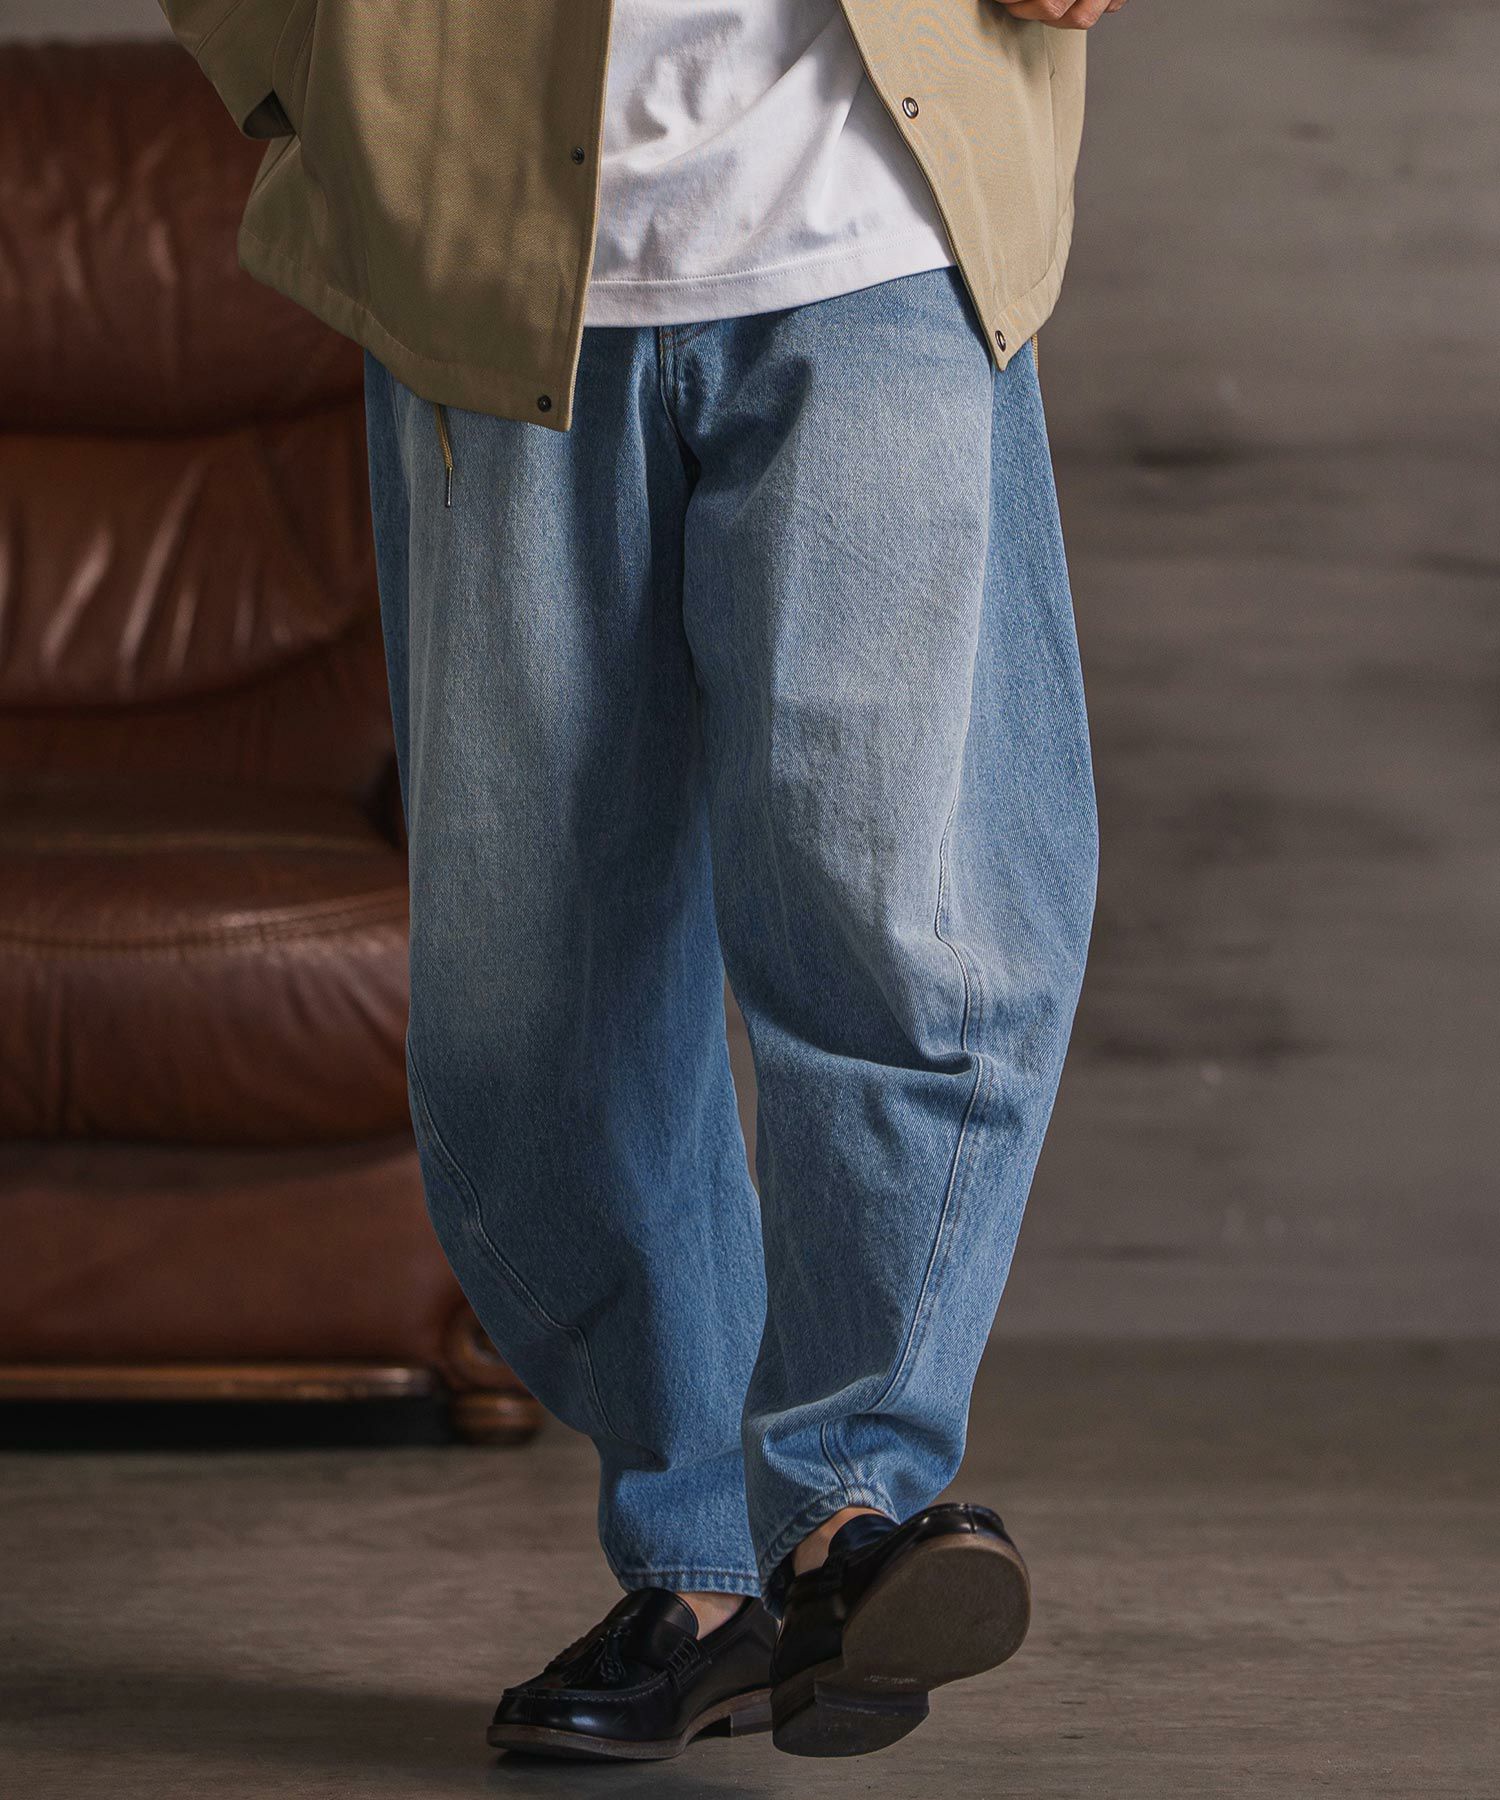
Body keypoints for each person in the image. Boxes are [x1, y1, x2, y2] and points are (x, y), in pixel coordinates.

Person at [163, 0, 1126, 1762]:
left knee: (911, 929)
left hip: (882, 224)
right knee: (531, 1007)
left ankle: (846, 1510)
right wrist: (320, 75)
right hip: (493, 272)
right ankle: (702, 1570)